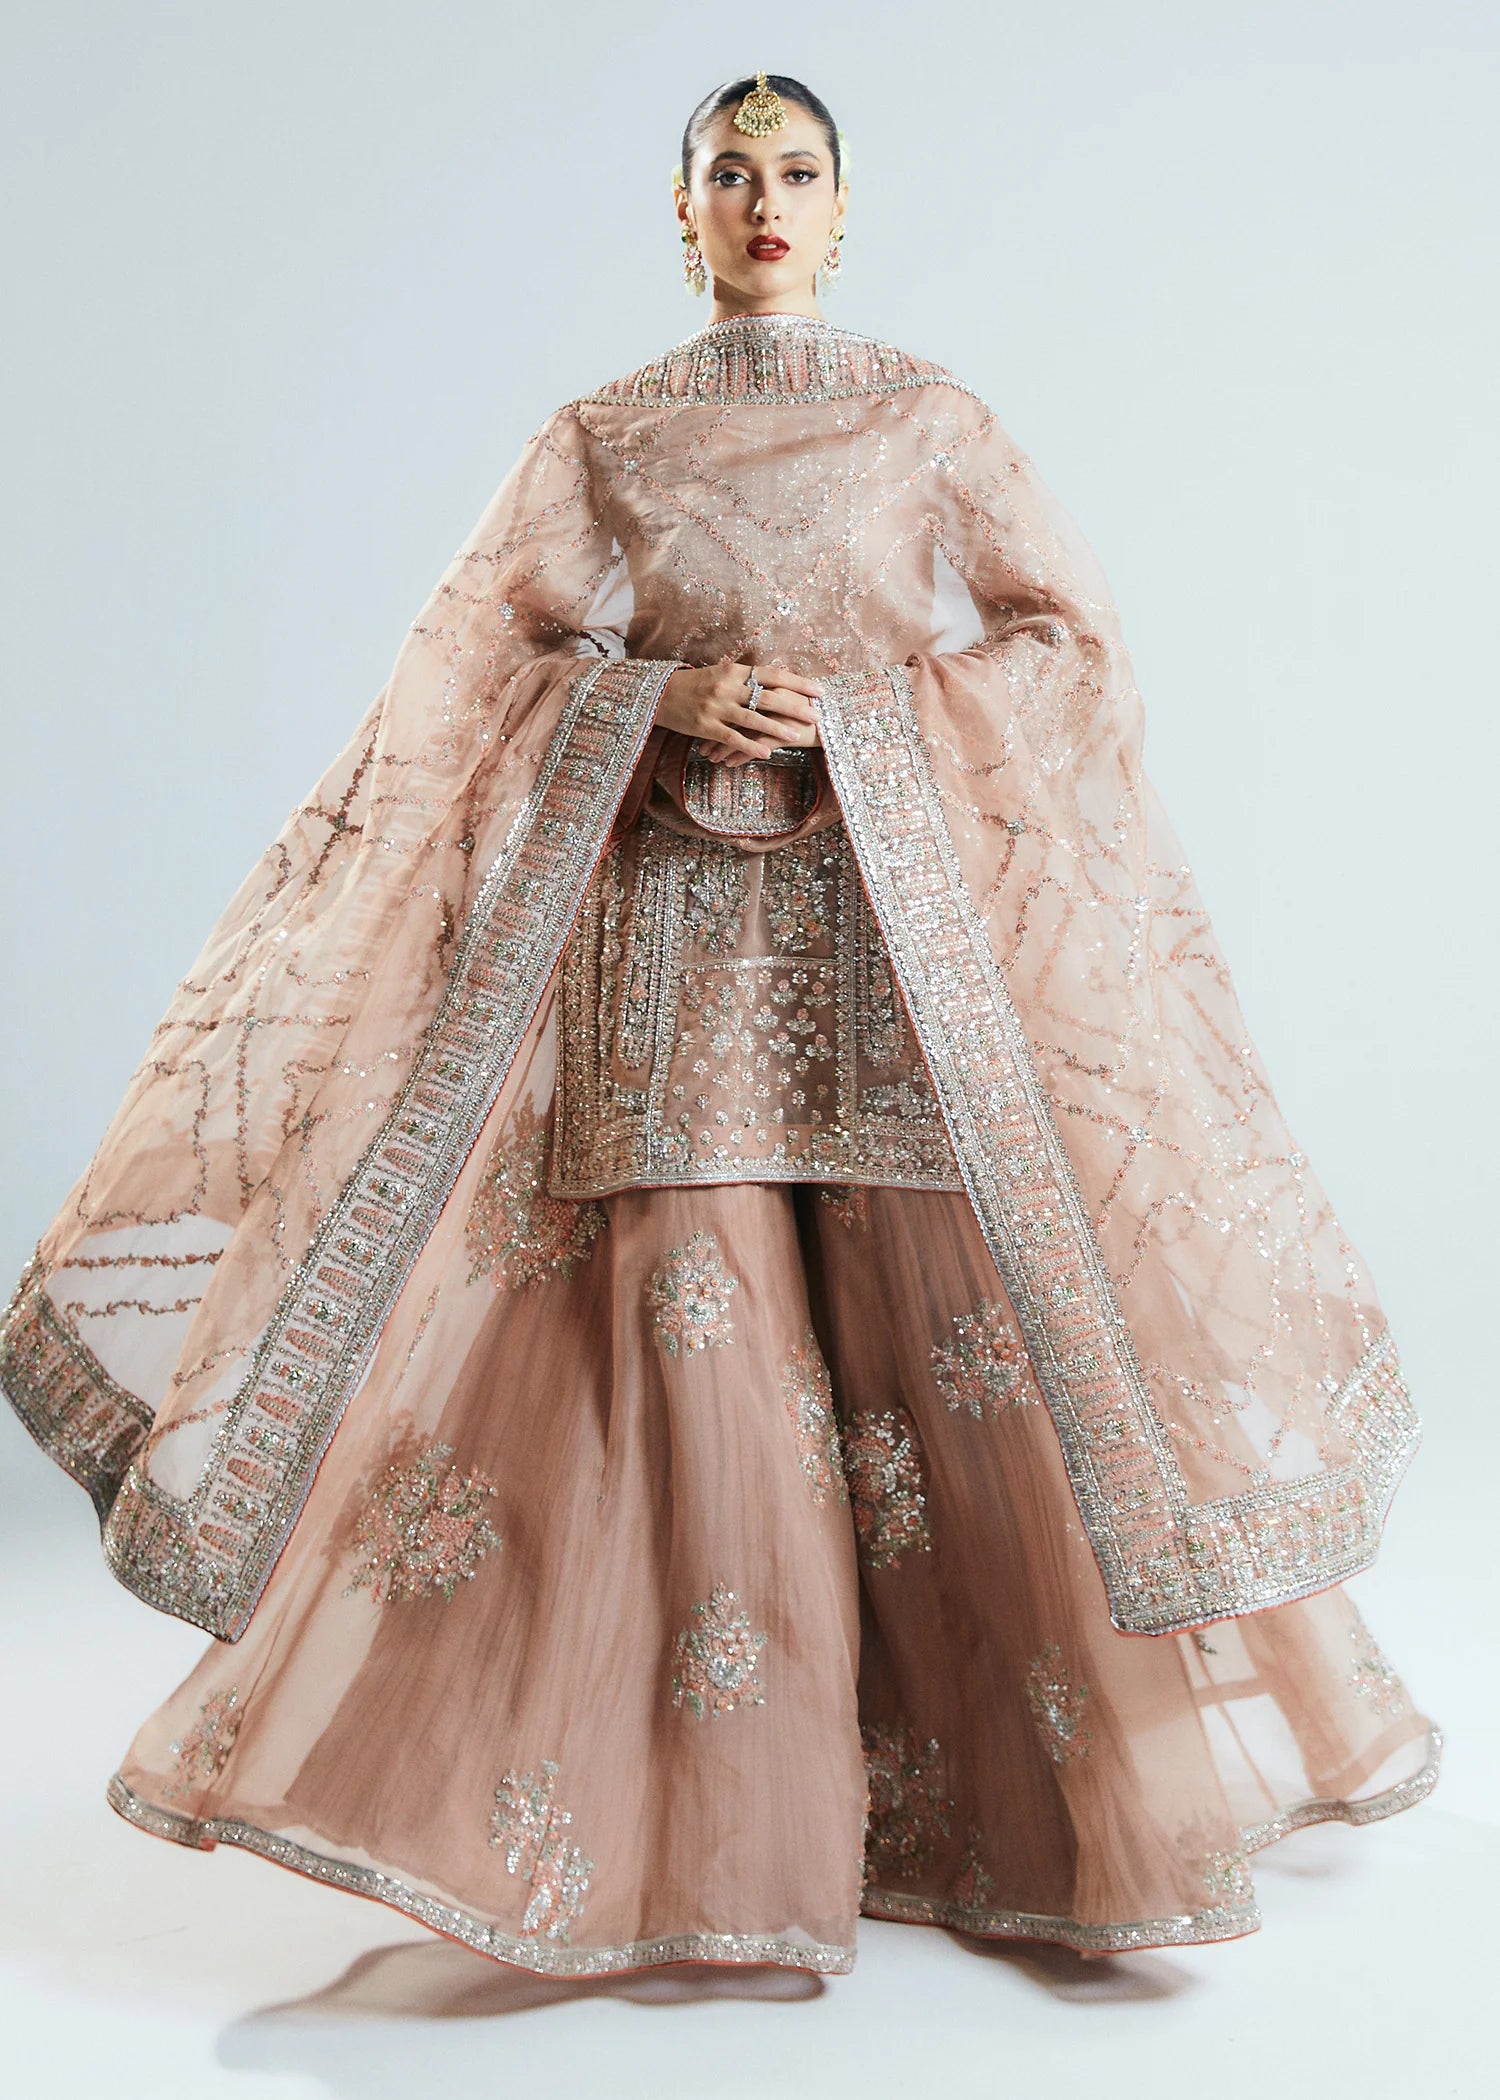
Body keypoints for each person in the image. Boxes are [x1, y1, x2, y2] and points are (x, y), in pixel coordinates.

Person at [0, 70, 1438, 1979]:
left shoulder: (928, 421)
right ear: (676, 215)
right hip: (670, 940)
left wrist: (873, 717)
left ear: (846, 208)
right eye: (730, 174)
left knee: (948, 1338)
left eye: (799, 172)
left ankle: (987, 1802)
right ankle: (692, 1826)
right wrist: (653, 703)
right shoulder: (604, 437)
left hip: (888, 930)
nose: (766, 201)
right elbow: (473, 667)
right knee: (694, 1339)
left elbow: (1070, 648)